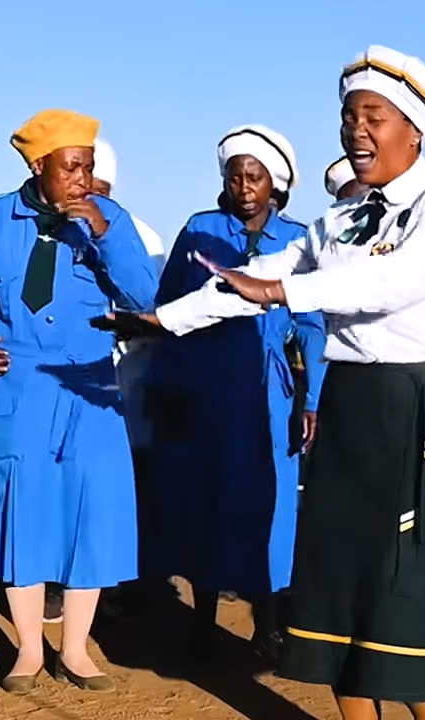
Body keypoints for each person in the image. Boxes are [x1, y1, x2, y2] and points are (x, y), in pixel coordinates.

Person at [114, 44, 425, 720]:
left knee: (410, 581)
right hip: (354, 402)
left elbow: (390, 283)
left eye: (373, 117)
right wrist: (165, 319)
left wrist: (284, 290)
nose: (355, 131)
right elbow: (251, 280)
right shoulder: (339, 220)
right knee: (340, 578)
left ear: (413, 130)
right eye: (348, 117)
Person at [0, 108, 157, 695]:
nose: (82, 179)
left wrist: (104, 232)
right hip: (18, 384)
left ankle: (75, 649)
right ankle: (27, 649)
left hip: (89, 386)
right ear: (39, 166)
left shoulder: (109, 218)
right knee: (24, 511)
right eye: (71, 167)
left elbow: (144, 296)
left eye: (88, 167)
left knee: (89, 511)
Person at [148, 124, 326, 661]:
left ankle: (267, 624)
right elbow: (169, 310)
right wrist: (168, 385)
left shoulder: (299, 240)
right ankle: (202, 622)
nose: (245, 187)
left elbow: (313, 324)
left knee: (272, 506)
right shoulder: (199, 230)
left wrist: (311, 399)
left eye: (256, 177)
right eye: (235, 176)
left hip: (270, 392)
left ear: (276, 184)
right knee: (207, 497)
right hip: (206, 386)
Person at [43, 137, 166, 624]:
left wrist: (133, 324)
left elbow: (155, 306)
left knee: (118, 490)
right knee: (61, 483)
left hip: (129, 381)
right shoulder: (47, 230)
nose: (85, 192)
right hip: (65, 379)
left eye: (96, 184)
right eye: (76, 178)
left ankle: (121, 583)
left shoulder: (143, 236)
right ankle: (56, 580)